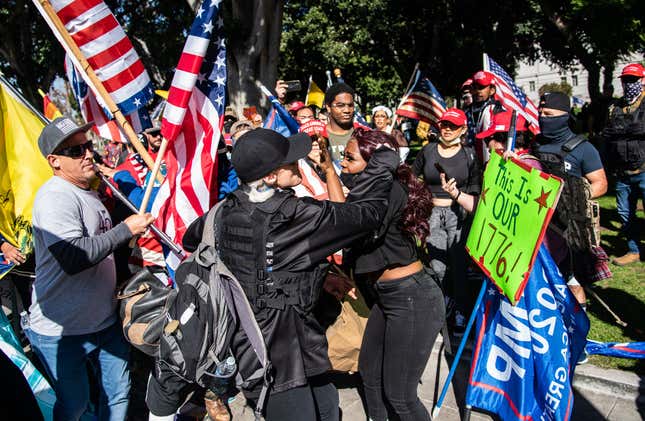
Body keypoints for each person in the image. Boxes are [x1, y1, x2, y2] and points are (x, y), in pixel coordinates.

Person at [172, 128, 399, 421]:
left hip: (278, 346)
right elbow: (367, 215)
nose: (299, 165)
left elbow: (191, 239)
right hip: (277, 361)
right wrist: (382, 166)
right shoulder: (294, 215)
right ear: (269, 177)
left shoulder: (224, 209)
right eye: (291, 162)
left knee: (328, 408)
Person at [26, 117, 154, 421]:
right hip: (61, 331)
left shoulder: (87, 191)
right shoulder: (55, 197)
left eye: (88, 146)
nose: (87, 154)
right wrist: (125, 229)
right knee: (76, 406)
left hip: (102, 322)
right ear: (54, 161)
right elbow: (73, 258)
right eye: (75, 151)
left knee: (119, 394)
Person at [331, 128, 443, 421]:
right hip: (386, 298)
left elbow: (345, 226)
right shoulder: (369, 192)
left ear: (374, 163)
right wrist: (328, 171)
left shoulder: (389, 191)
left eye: (350, 158)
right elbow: (343, 215)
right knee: (370, 375)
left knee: (400, 396)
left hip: (412, 297)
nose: (343, 163)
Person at [533, 92, 608, 306]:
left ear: (564, 116)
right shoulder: (536, 145)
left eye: (548, 114)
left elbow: (601, 184)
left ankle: (578, 324)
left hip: (569, 226)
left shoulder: (583, 148)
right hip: (539, 224)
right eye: (540, 113)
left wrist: (573, 197)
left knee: (572, 280)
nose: (542, 117)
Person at [412, 108, 481, 334]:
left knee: (459, 265)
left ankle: (461, 310)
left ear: (463, 129)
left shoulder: (469, 155)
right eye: (444, 124)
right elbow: (413, 179)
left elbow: (475, 188)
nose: (447, 129)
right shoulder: (428, 150)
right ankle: (443, 308)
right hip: (432, 215)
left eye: (453, 125)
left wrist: (458, 197)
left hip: (458, 214)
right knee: (438, 266)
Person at [601, 62, 645, 266]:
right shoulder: (615, 107)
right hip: (622, 172)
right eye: (626, 80)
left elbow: (639, 129)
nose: (629, 84)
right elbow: (607, 136)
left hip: (644, 169)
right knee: (625, 213)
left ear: (642, 80)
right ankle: (634, 249)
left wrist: (624, 130)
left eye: (633, 80)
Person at [464, 71, 506, 158]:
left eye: (482, 87)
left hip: (490, 158)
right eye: (475, 87)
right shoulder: (467, 112)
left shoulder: (497, 110)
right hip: (469, 158)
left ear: (492, 90)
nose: (478, 91)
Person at [325, 82, 357, 162]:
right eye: (340, 105)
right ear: (328, 107)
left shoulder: (363, 134)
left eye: (350, 105)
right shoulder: (318, 136)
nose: (347, 110)